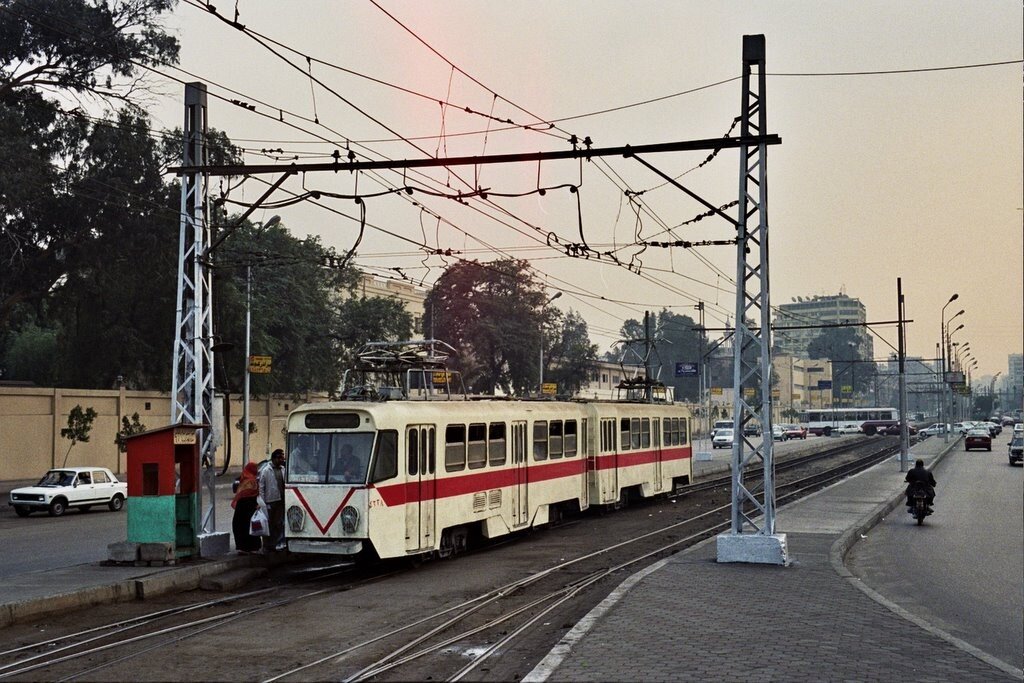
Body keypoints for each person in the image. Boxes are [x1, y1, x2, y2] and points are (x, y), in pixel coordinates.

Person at [258, 449, 287, 552]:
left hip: (280, 500)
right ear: (274, 458)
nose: (281, 460)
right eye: (279, 458)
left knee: (278, 524)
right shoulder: (266, 470)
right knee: (268, 524)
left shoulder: (283, 469)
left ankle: (276, 544)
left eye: (282, 458)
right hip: (270, 501)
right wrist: (262, 502)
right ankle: (267, 545)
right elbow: (261, 487)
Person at [230, 462, 261, 554]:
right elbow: (255, 493)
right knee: (251, 527)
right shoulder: (252, 480)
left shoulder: (244, 480)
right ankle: (252, 547)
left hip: (241, 508)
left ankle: (242, 547)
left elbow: (240, 494)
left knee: (240, 527)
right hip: (251, 507)